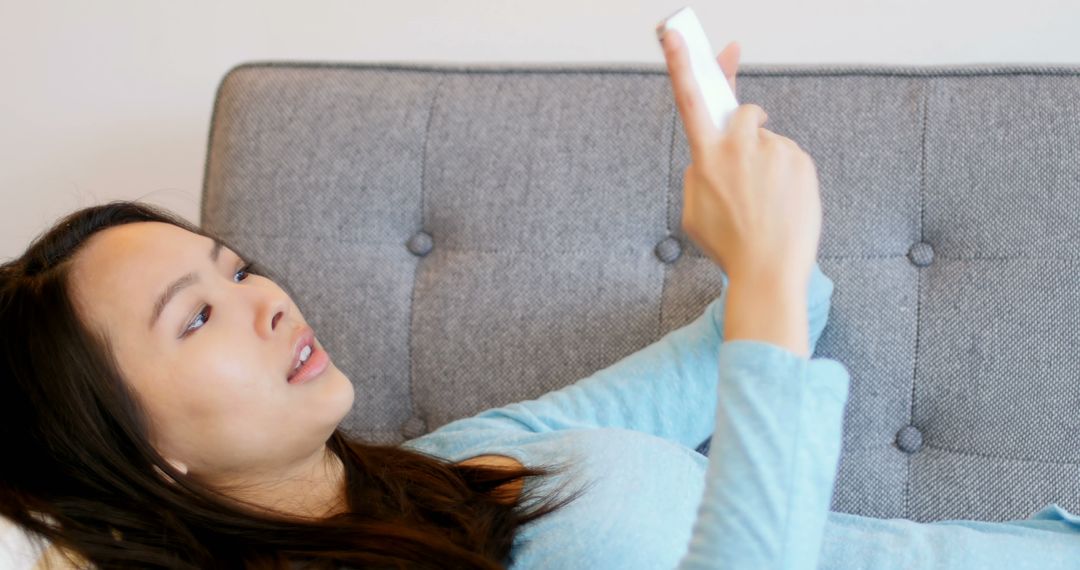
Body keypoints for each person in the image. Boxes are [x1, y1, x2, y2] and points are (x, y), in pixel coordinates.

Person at [2, 32, 1079, 570]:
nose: (266, 302)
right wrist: (762, 281)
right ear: (136, 453)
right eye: (194, 318)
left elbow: (764, 323)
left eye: (235, 269)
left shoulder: (463, 468)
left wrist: (735, 183)